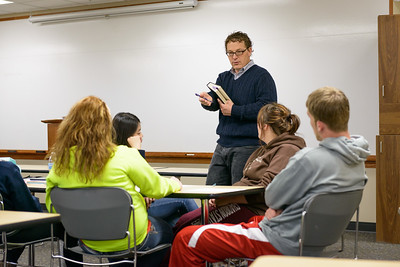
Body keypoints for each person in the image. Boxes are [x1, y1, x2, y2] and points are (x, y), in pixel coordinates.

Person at [169, 87, 370, 266]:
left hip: (281, 239)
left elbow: (272, 196)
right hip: (314, 239)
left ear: (318, 124)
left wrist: (277, 207)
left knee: (187, 238)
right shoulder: (358, 162)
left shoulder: (308, 159)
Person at [45, 96, 182, 267]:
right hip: (130, 238)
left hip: (87, 240)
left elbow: (52, 206)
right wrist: (175, 183)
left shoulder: (60, 164)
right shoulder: (124, 154)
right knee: (169, 228)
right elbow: (156, 189)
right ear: (106, 127)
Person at [173, 103, 306, 233]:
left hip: (256, 209)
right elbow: (246, 181)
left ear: (264, 126)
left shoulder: (287, 149)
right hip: (240, 203)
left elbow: (266, 190)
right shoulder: (264, 149)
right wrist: (223, 197)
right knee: (183, 221)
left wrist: (228, 198)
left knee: (188, 228)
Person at [197, 31, 277, 186]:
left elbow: (268, 109)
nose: (234, 57)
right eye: (230, 53)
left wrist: (235, 111)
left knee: (237, 196)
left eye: (239, 52)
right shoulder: (223, 77)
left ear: (249, 50)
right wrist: (208, 100)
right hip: (223, 144)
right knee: (212, 194)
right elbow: (216, 100)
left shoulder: (261, 76)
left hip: (248, 146)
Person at [112, 112, 198, 227]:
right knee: (185, 200)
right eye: (138, 133)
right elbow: (151, 187)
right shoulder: (130, 155)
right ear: (129, 137)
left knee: (174, 221)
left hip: (122, 211)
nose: (141, 136)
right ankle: (206, 234)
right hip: (134, 210)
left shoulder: (109, 154)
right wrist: (137, 151)